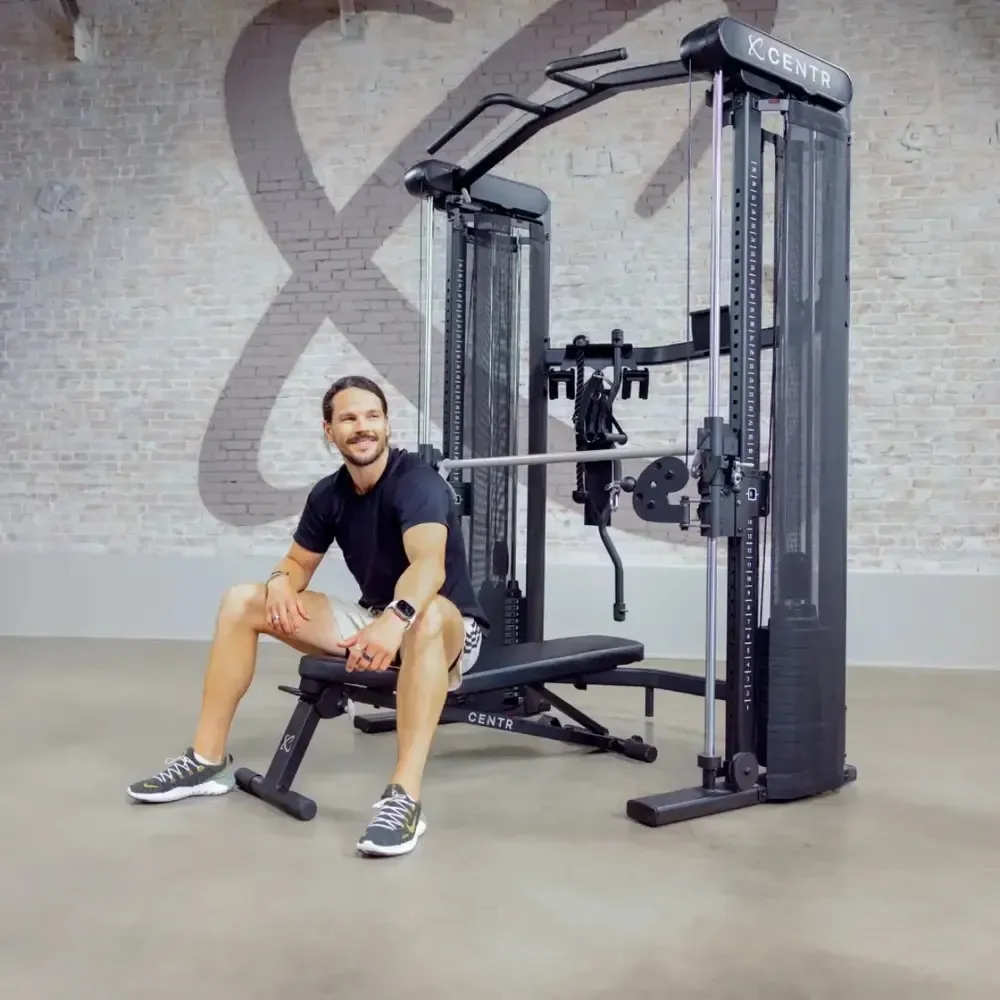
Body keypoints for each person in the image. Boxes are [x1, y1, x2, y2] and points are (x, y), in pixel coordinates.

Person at [127, 375, 488, 858]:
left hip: (443, 627)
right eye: (349, 418)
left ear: (387, 424)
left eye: (372, 416)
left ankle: (404, 799)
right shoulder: (329, 494)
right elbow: (297, 562)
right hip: (376, 618)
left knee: (425, 617)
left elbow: (428, 565)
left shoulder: (417, 483)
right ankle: (207, 760)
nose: (362, 427)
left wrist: (395, 618)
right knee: (242, 600)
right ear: (329, 431)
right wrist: (280, 580)